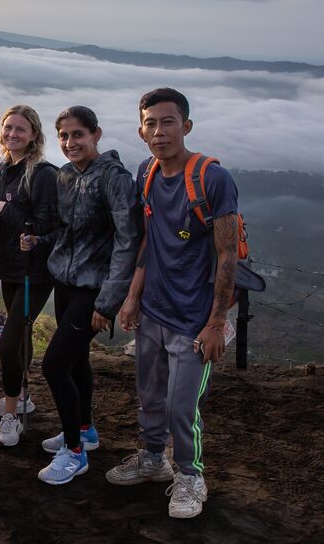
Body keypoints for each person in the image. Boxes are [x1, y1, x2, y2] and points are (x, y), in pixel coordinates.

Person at [109, 88, 239, 519]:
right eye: (150, 123)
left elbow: (227, 255)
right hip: (154, 310)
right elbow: (151, 240)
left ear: (186, 126)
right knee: (149, 395)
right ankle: (152, 459)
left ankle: (191, 475)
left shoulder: (212, 180)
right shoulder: (147, 171)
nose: (159, 131)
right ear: (141, 130)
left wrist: (217, 323)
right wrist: (132, 298)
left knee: (181, 407)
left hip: (195, 317)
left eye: (168, 122)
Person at [22, 106, 142, 484]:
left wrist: (109, 301)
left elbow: (128, 241)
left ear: (96, 134)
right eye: (64, 136)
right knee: (75, 362)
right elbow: (68, 232)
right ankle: (85, 431)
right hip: (65, 281)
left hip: (94, 289)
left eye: (78, 134)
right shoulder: (66, 176)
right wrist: (41, 241)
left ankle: (74, 453)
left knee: (53, 365)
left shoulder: (114, 178)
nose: (70, 142)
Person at [0, 105, 58, 446]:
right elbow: (7, 212)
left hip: (35, 272)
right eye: (8, 128)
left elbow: (47, 224)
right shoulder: (5, 167)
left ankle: (12, 415)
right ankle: (22, 395)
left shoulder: (42, 174)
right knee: (20, 332)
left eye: (20, 129)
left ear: (34, 136)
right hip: (11, 267)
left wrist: (4, 210)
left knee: (9, 341)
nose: (13, 134)